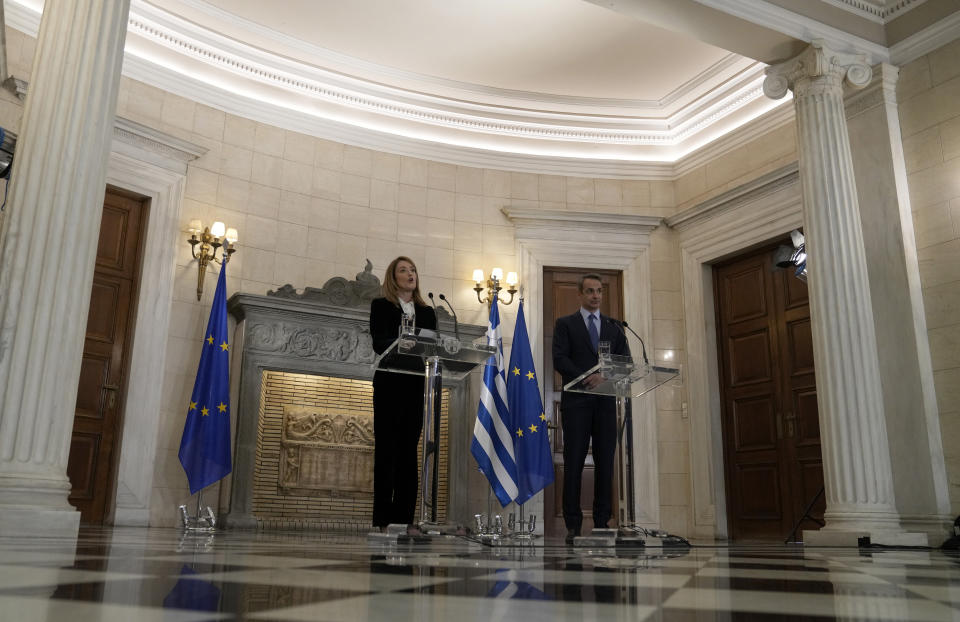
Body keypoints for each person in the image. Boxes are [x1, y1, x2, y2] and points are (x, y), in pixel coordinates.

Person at [552, 273, 629, 543]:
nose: (595, 296)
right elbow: (559, 358)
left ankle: (601, 520)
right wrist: (588, 377)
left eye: (599, 291)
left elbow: (626, 362)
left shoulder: (614, 327)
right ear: (580, 295)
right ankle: (572, 523)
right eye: (590, 291)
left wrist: (605, 378)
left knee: (605, 462)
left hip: (606, 404)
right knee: (573, 461)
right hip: (576, 402)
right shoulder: (565, 324)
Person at [369, 256, 437, 535]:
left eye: (413, 269)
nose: (410, 274)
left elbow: (432, 344)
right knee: (387, 452)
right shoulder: (381, 305)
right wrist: (401, 339)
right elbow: (378, 341)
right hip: (388, 383)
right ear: (393, 277)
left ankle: (406, 520)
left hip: (414, 385)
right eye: (404, 270)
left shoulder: (428, 310)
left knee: (409, 453)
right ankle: (384, 521)